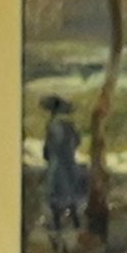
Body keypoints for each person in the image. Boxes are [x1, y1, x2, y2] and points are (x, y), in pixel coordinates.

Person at [36, 97, 83, 244]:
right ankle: (75, 223)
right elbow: (77, 141)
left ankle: (58, 225)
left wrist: (49, 153)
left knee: (56, 192)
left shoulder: (52, 125)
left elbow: (48, 149)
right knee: (70, 192)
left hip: (57, 164)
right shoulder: (70, 126)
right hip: (69, 162)